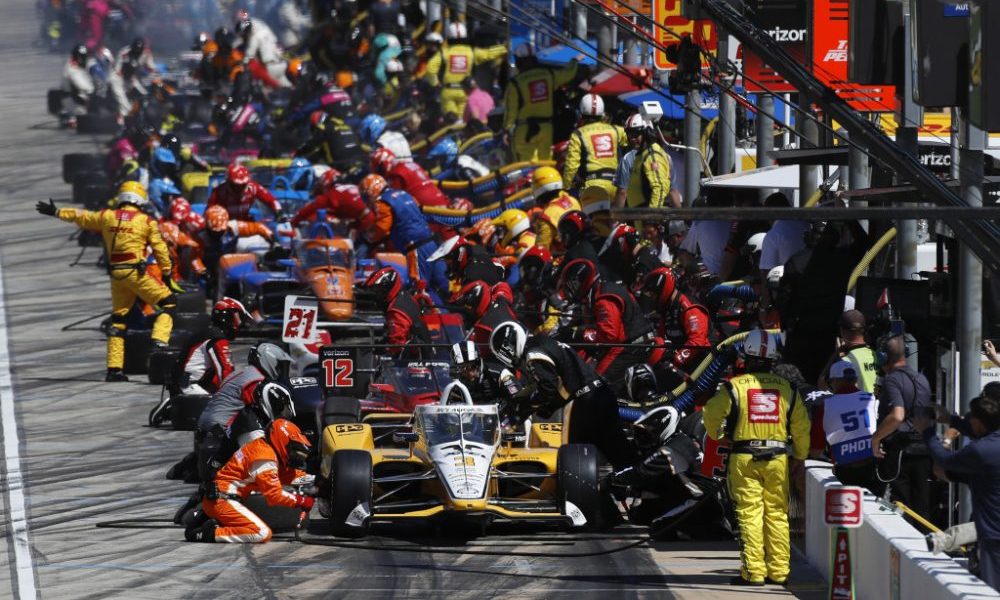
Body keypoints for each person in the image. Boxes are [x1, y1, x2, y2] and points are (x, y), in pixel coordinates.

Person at [37, 183, 181, 381]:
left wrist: (56, 211)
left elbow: (83, 217)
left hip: (116, 275)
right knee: (169, 303)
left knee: (118, 321)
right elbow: (161, 249)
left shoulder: (107, 216)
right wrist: (166, 272)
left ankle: (114, 370)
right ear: (140, 199)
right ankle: (158, 341)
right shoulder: (146, 221)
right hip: (136, 273)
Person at [703, 329, 810, 586]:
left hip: (744, 458)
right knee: (777, 514)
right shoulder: (788, 388)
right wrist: (800, 456)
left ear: (746, 357)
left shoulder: (734, 387)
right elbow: (801, 427)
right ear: (773, 358)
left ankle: (753, 573)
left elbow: (711, 415)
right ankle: (779, 572)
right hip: (778, 459)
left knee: (749, 514)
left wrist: (719, 436)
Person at [489, 321, 636, 470]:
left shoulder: (533, 353)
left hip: (584, 402)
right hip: (601, 392)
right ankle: (633, 478)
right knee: (619, 451)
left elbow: (547, 389)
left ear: (509, 347)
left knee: (573, 461)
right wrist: (527, 402)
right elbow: (557, 382)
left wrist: (526, 408)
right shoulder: (545, 342)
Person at [915, 386, 1000, 591]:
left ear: (979, 422)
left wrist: (927, 432)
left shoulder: (981, 450)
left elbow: (944, 460)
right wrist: (951, 420)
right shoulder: (989, 444)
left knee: (992, 590)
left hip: (994, 535)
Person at [186, 418, 314, 543]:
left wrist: (315, 481)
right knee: (261, 533)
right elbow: (274, 495)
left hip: (221, 498)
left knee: (260, 530)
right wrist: (302, 501)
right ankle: (208, 533)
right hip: (223, 501)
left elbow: (286, 476)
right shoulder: (264, 458)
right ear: (283, 441)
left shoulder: (262, 448)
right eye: (294, 451)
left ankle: (208, 519)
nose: (295, 457)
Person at [558, 259, 654, 393]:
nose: (570, 290)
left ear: (582, 282)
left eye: (572, 285)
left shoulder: (603, 298)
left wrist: (578, 333)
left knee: (592, 388)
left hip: (631, 346)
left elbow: (609, 335)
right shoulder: (597, 292)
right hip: (628, 344)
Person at [872, 334, 934, 520]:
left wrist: (875, 438)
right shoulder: (922, 378)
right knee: (921, 510)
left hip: (900, 454)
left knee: (899, 509)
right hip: (923, 452)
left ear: (883, 357)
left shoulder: (892, 379)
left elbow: (897, 415)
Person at [814, 360, 883, 495]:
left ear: (835, 381)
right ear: (855, 379)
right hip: (873, 468)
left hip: (845, 472)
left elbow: (816, 450)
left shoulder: (825, 406)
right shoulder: (872, 399)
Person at [503, 44, 579, 161]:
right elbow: (569, 73)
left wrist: (506, 130)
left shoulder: (515, 83)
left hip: (524, 131)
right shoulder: (549, 75)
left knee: (524, 165)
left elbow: (511, 112)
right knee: (545, 163)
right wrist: (575, 61)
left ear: (519, 62)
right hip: (546, 129)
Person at [562, 93, 625, 230]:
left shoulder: (578, 134)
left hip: (593, 188)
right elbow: (633, 139)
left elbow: (571, 165)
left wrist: (566, 187)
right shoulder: (615, 130)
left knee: (595, 228)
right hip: (616, 186)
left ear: (581, 113)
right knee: (617, 228)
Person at [635, 267, 712, 376]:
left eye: (653, 294)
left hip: (704, 365)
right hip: (684, 365)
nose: (652, 298)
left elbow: (697, 341)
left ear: (661, 289)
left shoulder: (689, 307)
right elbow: (661, 338)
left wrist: (675, 360)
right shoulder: (666, 309)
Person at [424, 22, 506, 120]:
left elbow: (430, 69)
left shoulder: (444, 53)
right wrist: (504, 48)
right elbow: (488, 54)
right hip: (465, 92)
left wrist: (435, 83)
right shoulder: (471, 52)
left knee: (450, 118)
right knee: (462, 120)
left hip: (448, 91)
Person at [359, 267, 431, 357]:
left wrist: (379, 350)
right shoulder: (406, 297)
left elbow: (396, 345)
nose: (377, 295)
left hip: (410, 360)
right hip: (422, 350)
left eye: (379, 291)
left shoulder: (395, 311)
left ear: (388, 288)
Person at [613, 113, 673, 212]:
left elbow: (660, 188)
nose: (632, 138)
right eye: (629, 134)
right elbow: (673, 191)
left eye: (636, 134)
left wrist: (651, 217)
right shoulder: (659, 155)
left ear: (647, 133)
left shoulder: (650, 155)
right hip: (642, 215)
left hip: (647, 215)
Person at [820, 310, 878, 393]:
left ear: (842, 331)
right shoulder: (877, 355)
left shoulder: (843, 362)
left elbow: (822, 385)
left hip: (858, 402)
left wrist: (836, 354)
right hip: (877, 401)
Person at [371, 147, 449, 208]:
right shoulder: (411, 164)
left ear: (383, 165)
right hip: (442, 201)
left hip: (428, 209)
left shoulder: (395, 174)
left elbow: (394, 202)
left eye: (378, 170)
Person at [290, 173, 373, 230]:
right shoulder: (352, 187)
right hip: (369, 219)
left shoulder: (333, 195)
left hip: (365, 224)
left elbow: (311, 208)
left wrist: (293, 221)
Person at [207, 163, 282, 221]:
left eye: (243, 185)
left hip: (246, 224)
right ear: (228, 182)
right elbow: (208, 213)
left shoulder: (253, 188)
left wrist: (279, 213)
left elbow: (272, 200)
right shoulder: (219, 192)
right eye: (236, 185)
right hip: (225, 226)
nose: (240, 188)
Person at [531, 166, 581, 251]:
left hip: (566, 256)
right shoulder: (573, 200)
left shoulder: (546, 217)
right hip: (582, 247)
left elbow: (541, 250)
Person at [428, 235, 505, 286]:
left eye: (448, 258)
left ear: (459, 254)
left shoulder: (471, 274)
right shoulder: (477, 255)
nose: (447, 263)